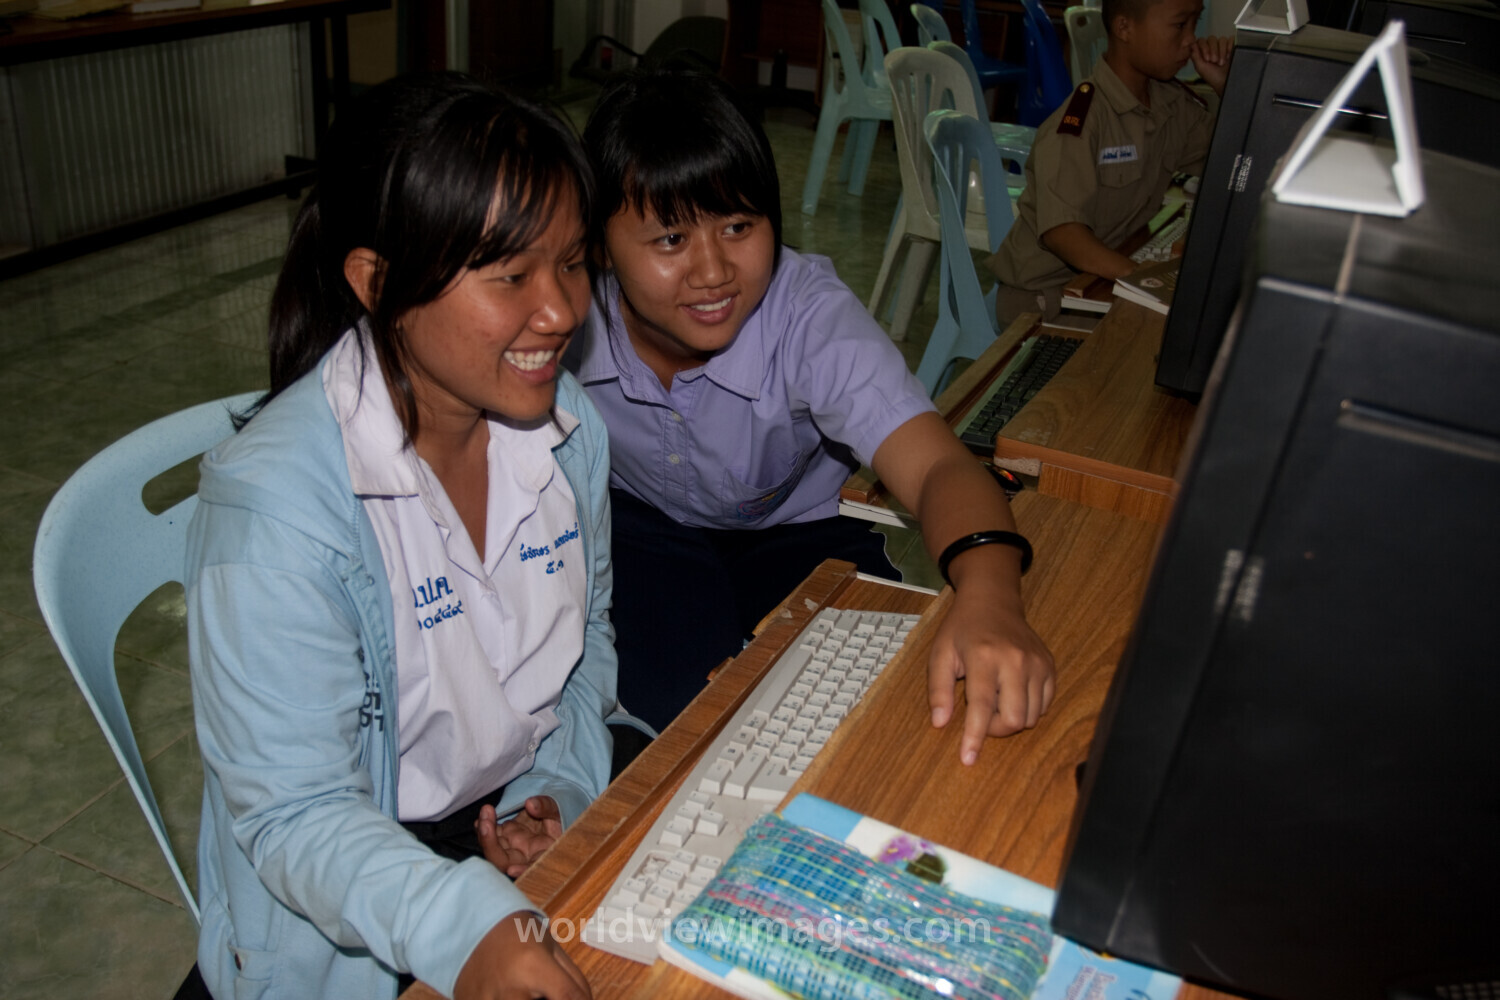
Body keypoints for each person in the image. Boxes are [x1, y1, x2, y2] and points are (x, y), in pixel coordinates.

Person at [184, 73, 610, 1000]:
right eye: (510, 278)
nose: (562, 311)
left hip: (502, 827)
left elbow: (588, 646)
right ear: (377, 283)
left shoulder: (567, 429)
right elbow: (296, 814)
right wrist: (466, 924)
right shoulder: (276, 514)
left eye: (573, 262)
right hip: (348, 900)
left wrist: (559, 797)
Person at [572, 71, 1055, 764]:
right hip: (645, 531)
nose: (714, 271)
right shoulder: (565, 321)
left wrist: (990, 596)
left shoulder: (806, 315)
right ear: (598, 247)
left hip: (797, 532)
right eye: (670, 240)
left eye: (739, 226)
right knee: (681, 723)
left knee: (865, 706)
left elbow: (942, 465)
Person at [985, 0, 1233, 323]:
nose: (1191, 39)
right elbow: (1063, 233)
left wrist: (1227, 86)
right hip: (1044, 299)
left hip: (1099, 282)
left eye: (1195, 24)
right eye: (1179, 25)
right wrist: (1142, 279)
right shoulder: (1082, 120)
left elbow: (1235, 162)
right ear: (1124, 28)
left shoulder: (1170, 104)